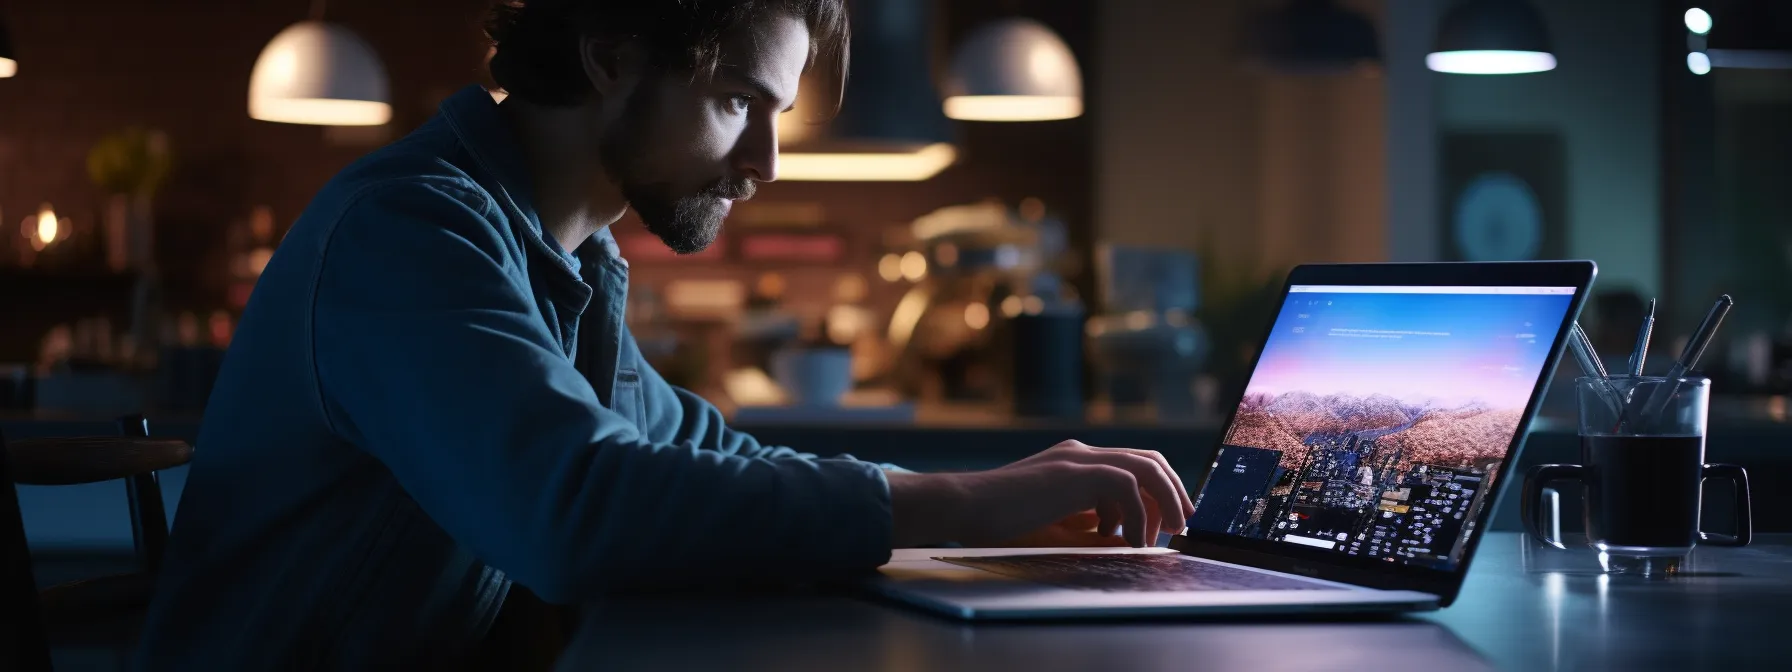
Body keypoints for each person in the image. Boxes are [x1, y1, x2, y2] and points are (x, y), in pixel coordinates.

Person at [135, 0, 1193, 668]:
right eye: (740, 101)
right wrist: (962, 499)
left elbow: (700, 455)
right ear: (609, 56)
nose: (769, 160)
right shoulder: (407, 230)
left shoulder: (568, 259)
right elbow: (578, 510)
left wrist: (982, 504)